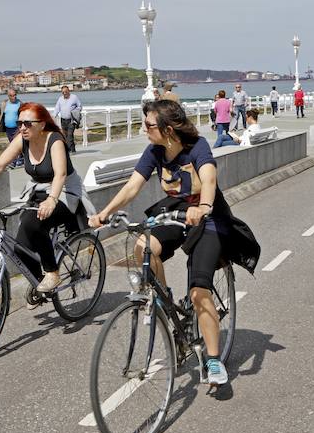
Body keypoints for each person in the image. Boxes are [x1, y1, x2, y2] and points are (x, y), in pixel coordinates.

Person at [88, 100, 260, 386]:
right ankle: (164, 301)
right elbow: (133, 185)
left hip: (207, 218)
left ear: (168, 129)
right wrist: (104, 213)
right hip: (175, 211)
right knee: (143, 245)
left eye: (149, 125)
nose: (144, 129)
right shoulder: (155, 151)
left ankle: (214, 360)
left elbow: (209, 180)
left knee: (198, 291)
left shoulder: (197, 147)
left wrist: (203, 206)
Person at [0, 102, 94, 297]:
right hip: (39, 191)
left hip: (65, 192)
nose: (22, 127)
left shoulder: (55, 140)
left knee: (34, 223)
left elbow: (60, 174)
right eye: (19, 122)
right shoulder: (22, 140)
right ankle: (40, 287)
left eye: (28, 123)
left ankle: (52, 272)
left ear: (42, 124)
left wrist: (51, 200)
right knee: (20, 250)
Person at [0, 88, 24, 169]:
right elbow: (1, 115)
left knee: (14, 145)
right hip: (8, 128)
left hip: (17, 128)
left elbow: (24, 115)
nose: (14, 97)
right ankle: (19, 160)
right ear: (8, 96)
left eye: (15, 95)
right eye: (12, 96)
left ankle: (15, 161)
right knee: (13, 144)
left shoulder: (20, 103)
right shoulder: (4, 104)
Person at [53, 86, 82, 153]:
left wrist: (74, 111)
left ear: (68, 91)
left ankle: (69, 151)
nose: (64, 93)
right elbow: (57, 108)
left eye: (66, 92)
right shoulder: (60, 99)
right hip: (63, 120)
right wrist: (53, 116)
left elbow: (80, 106)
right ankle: (73, 150)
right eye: (63, 92)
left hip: (71, 120)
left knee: (69, 135)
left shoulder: (74, 97)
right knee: (65, 136)